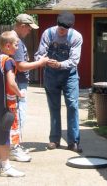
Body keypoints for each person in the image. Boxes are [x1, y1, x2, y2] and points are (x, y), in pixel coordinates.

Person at [35, 11, 83, 152]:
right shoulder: (48, 34)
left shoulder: (76, 37)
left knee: (73, 106)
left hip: (70, 76)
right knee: (54, 106)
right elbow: (40, 53)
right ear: (57, 24)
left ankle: (73, 141)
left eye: (65, 30)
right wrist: (44, 60)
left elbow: (74, 60)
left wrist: (60, 64)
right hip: (51, 74)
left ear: (70, 28)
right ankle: (54, 139)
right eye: (60, 29)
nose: (62, 32)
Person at [10, 14, 49, 162]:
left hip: (16, 84)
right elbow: (20, 66)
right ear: (22, 26)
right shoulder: (16, 42)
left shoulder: (11, 39)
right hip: (18, 84)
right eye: (29, 28)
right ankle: (14, 149)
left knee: (16, 117)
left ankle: (15, 146)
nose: (30, 31)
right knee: (18, 117)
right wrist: (40, 63)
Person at [0, 31, 25, 177]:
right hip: (6, 106)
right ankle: (7, 167)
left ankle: (1, 165)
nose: (17, 47)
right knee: (6, 137)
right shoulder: (8, 61)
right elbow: (11, 82)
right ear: (7, 45)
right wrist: (19, 93)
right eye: (16, 44)